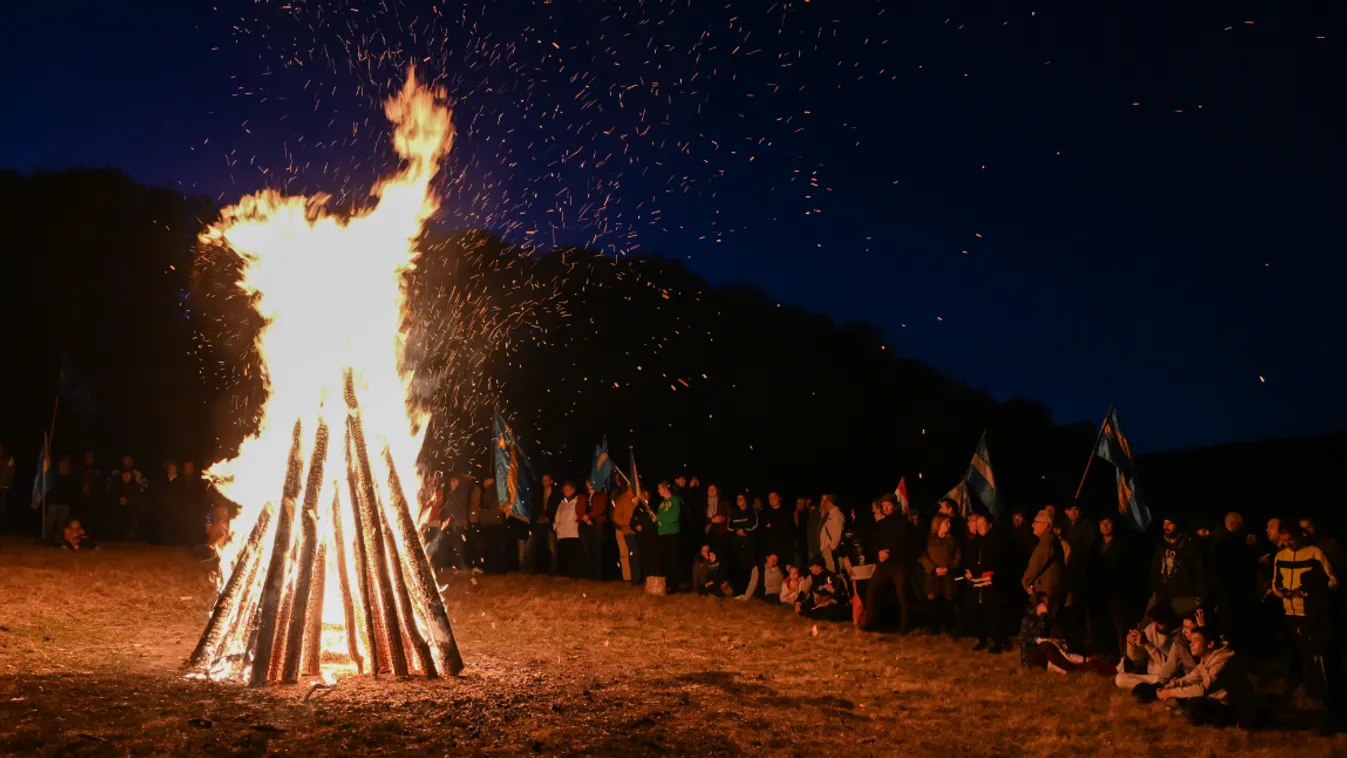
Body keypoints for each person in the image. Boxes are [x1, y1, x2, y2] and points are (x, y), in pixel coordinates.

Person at [1272, 521, 1342, 733]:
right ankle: (1306, 697)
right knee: (1298, 657)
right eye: (1282, 541)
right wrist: (1279, 592)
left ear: (1299, 535)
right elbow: (1275, 582)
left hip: (1311, 613)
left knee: (1320, 662)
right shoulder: (1280, 556)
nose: (1286, 544)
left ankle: (1331, 708)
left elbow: (1333, 581)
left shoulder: (1315, 553)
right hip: (1289, 612)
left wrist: (1310, 594)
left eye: (1290, 539)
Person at [1154, 627, 1256, 727]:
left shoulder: (1221, 662)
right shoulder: (1205, 660)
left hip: (1234, 706)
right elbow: (1190, 678)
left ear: (1210, 644)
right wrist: (1170, 686)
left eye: (1196, 641)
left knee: (1194, 704)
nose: (1191, 644)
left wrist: (1170, 692)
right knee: (1183, 698)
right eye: (1190, 641)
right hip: (1216, 701)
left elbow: (1202, 689)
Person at [1018, 593, 1114, 676]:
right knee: (1046, 645)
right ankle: (1072, 670)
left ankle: (1090, 665)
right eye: (1045, 603)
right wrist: (1043, 617)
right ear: (1038, 605)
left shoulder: (1047, 617)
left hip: (1049, 655)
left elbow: (1051, 636)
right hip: (1032, 657)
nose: (1047, 605)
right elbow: (1034, 636)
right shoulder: (1030, 619)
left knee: (1059, 645)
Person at [863, 494, 916, 634]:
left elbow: (906, 544)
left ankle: (905, 626)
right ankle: (871, 622)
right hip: (883, 566)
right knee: (872, 592)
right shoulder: (881, 524)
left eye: (888, 505)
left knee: (902, 596)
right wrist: (878, 553)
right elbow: (873, 543)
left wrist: (890, 553)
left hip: (899, 565)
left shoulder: (904, 523)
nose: (886, 508)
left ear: (895, 506)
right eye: (884, 506)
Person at [1114, 603, 1187, 690]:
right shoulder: (1152, 628)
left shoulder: (1182, 635)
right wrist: (1132, 643)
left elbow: (1168, 667)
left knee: (1172, 681)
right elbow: (1135, 657)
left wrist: (1147, 645)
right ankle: (1154, 690)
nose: (1155, 627)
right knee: (1119, 679)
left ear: (1169, 620)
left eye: (1159, 623)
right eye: (1153, 622)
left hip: (1169, 678)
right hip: (1151, 678)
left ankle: (1158, 690)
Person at [1094, 515, 1138, 656]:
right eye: (1102, 522)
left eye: (1108, 523)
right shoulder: (1095, 546)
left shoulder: (1123, 546)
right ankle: (1107, 655)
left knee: (1121, 627)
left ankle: (1125, 657)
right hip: (1100, 593)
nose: (1105, 526)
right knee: (1103, 626)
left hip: (1118, 594)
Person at [965, 513, 1010, 652]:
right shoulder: (975, 543)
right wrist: (970, 572)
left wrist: (982, 572)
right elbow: (970, 560)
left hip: (991, 584)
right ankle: (982, 640)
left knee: (993, 614)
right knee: (978, 613)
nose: (979, 528)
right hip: (976, 585)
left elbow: (998, 562)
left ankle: (998, 642)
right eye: (977, 525)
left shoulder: (997, 541)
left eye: (982, 524)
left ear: (990, 525)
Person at [1149, 515, 1208, 618]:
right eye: (1164, 523)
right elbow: (1156, 569)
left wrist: (1198, 597)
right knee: (1147, 621)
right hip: (1163, 595)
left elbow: (1200, 571)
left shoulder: (1190, 545)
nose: (1166, 526)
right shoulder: (1161, 545)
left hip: (1184, 597)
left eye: (1170, 523)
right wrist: (1156, 589)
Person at [1022, 509, 1066, 628]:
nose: (1033, 525)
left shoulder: (1046, 542)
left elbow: (1036, 564)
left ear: (1046, 525)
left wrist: (1026, 581)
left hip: (1046, 592)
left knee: (1042, 626)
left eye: (1036, 522)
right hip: (1050, 589)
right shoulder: (1049, 541)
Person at [921, 513, 962, 636]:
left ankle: (950, 627)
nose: (949, 525)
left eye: (949, 523)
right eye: (946, 523)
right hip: (933, 575)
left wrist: (950, 568)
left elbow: (957, 556)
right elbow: (924, 557)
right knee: (933, 602)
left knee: (949, 602)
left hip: (948, 575)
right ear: (938, 524)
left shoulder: (952, 540)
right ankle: (934, 628)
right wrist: (934, 569)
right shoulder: (929, 540)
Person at [796, 556, 852, 621]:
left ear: (819, 567)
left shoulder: (832, 577)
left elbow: (838, 595)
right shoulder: (811, 577)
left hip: (833, 605)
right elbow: (803, 591)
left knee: (833, 612)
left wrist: (829, 599)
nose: (810, 568)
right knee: (804, 607)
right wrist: (798, 602)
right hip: (819, 605)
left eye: (812, 566)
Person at [529, 473, 562, 574]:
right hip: (538, 522)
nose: (544, 482)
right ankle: (532, 570)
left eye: (546, 480)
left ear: (551, 481)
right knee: (532, 547)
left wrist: (551, 518)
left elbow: (557, 508)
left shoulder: (556, 493)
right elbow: (535, 506)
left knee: (552, 549)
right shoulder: (539, 492)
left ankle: (553, 571)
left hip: (549, 523)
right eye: (543, 480)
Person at [727, 493, 760, 594]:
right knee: (738, 566)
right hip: (737, 544)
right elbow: (729, 526)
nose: (739, 500)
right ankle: (739, 590)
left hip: (749, 543)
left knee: (749, 566)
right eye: (737, 498)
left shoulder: (751, 511)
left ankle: (750, 591)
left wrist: (745, 530)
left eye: (741, 498)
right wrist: (736, 531)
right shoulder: (733, 512)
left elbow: (755, 524)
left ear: (745, 500)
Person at [42, 456, 77, 544]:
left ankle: (57, 539)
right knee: (50, 522)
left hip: (64, 504)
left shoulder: (70, 478)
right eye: (62, 464)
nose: (63, 466)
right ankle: (47, 539)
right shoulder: (54, 475)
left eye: (65, 464)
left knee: (61, 524)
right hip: (54, 503)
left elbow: (72, 491)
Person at [655, 481, 683, 592]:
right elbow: (661, 517)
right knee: (665, 561)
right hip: (662, 534)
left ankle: (675, 585)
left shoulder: (675, 500)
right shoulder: (661, 503)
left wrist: (660, 518)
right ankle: (667, 584)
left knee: (673, 560)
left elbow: (673, 517)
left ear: (666, 489)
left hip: (672, 534)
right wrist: (656, 520)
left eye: (659, 488)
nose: (658, 491)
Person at [553, 481, 585, 578]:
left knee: (574, 556)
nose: (566, 491)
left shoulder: (577, 502)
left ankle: (575, 576)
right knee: (564, 556)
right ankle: (565, 575)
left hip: (573, 534)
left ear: (573, 490)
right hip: (562, 534)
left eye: (568, 489)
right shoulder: (562, 504)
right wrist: (556, 527)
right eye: (564, 489)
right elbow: (557, 517)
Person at [612, 479, 640, 583]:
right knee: (633, 554)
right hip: (628, 531)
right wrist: (628, 524)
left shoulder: (639, 498)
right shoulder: (622, 499)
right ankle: (633, 578)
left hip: (641, 531)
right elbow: (616, 517)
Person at [580, 480, 608, 580]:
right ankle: (588, 574)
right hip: (584, 524)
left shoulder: (600, 495)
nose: (589, 485)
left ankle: (597, 576)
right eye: (588, 483)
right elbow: (579, 507)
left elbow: (600, 508)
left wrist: (590, 516)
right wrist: (583, 517)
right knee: (587, 549)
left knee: (596, 549)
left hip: (596, 524)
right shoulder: (584, 496)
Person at [761, 492, 794, 571]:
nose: (772, 500)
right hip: (771, 547)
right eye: (770, 498)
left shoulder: (786, 512)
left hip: (784, 547)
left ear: (779, 498)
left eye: (774, 497)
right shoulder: (765, 513)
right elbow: (763, 529)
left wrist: (773, 525)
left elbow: (788, 527)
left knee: (785, 571)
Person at [702, 483, 731, 560]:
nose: (711, 491)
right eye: (709, 490)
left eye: (713, 489)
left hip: (720, 533)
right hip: (707, 533)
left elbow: (730, 515)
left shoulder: (723, 503)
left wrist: (723, 518)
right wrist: (711, 520)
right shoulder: (703, 503)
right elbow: (699, 518)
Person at [818, 494, 845, 573]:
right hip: (828, 552)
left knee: (834, 575)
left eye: (825, 501)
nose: (823, 504)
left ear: (829, 502)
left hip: (831, 554)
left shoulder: (836, 516)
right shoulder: (830, 515)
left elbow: (837, 536)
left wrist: (830, 549)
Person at [0, 443, 15, 534]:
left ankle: (4, 530)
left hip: (4, 488)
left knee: (3, 510)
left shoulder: (8, 461)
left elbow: (11, 474)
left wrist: (10, 467)